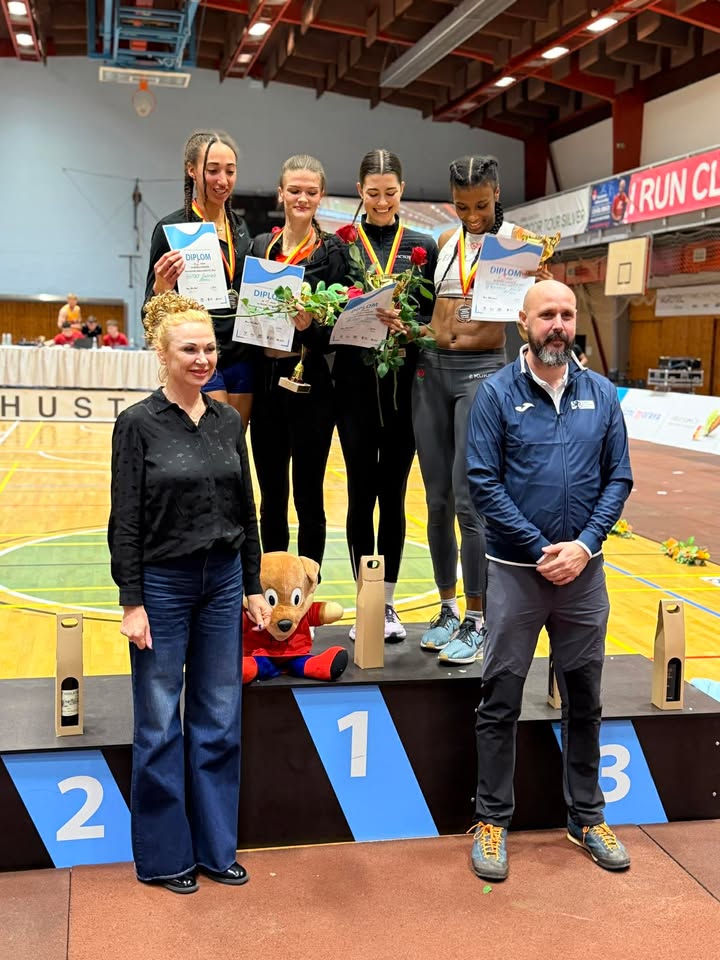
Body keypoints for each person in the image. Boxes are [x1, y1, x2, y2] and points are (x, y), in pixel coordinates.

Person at [466, 279, 633, 882]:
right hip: (517, 573)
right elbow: (483, 482)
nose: (558, 325)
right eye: (547, 315)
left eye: (566, 314)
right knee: (500, 700)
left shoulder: (602, 394)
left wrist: (584, 546)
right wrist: (542, 550)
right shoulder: (495, 394)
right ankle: (491, 819)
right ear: (523, 323)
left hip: (584, 575)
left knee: (585, 700)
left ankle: (586, 817)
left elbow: (619, 478)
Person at [108, 291, 271, 894]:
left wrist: (252, 585)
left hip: (223, 583)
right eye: (189, 350)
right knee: (158, 725)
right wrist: (132, 601)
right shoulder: (137, 423)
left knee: (219, 718)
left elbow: (246, 508)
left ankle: (215, 849)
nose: (202, 359)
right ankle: (164, 858)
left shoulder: (229, 422)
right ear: (162, 353)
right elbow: (124, 519)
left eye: (209, 348)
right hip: (163, 586)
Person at [415, 155, 545, 665]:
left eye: (482, 205)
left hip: (481, 372)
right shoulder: (446, 241)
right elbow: (434, 315)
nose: (472, 216)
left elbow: (537, 316)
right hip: (430, 370)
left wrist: (540, 284)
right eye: (462, 206)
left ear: (497, 194)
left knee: (470, 503)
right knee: (436, 500)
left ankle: (477, 618)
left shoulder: (519, 244)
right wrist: (405, 326)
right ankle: (447, 608)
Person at [334, 149, 438, 641]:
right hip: (354, 388)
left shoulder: (422, 245)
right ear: (360, 191)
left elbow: (434, 320)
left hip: (404, 390)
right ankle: (366, 604)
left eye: (390, 193)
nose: (381, 202)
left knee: (393, 496)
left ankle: (389, 604)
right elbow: (329, 314)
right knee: (360, 494)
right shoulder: (342, 245)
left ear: (403, 190)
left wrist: (410, 326)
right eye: (373, 193)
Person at [249, 155, 348, 569]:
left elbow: (338, 331)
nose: (302, 198)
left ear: (321, 196)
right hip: (266, 381)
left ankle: (306, 590)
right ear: (281, 194)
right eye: (294, 190)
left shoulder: (334, 252)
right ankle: (272, 586)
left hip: (311, 383)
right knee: (272, 496)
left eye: (310, 191)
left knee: (308, 494)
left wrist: (309, 327)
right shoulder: (260, 247)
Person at [145, 130, 254, 427]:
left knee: (234, 444)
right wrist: (162, 287)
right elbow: (149, 309)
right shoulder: (171, 229)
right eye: (213, 170)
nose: (223, 180)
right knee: (213, 438)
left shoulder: (240, 228)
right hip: (201, 353)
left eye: (230, 171)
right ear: (191, 170)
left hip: (241, 353)